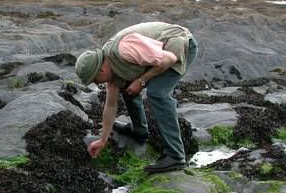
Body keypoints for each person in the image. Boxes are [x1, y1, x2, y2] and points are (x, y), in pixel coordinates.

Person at [75, 22, 198, 173]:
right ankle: (140, 132)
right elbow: (111, 105)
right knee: (127, 88)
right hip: (157, 55)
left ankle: (175, 156)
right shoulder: (109, 68)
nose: (96, 83)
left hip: (180, 46)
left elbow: (170, 59)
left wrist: (142, 81)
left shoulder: (124, 50)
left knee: (157, 93)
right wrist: (103, 140)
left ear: (101, 70)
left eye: (94, 79)